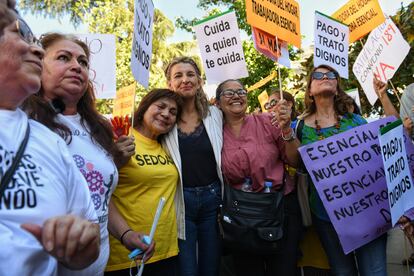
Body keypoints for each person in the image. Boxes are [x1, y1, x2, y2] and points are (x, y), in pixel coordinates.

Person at [0, 4, 99, 275]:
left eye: (83, 62)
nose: (37, 50)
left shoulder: (47, 140)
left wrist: (80, 244)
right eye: (20, 34)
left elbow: (91, 228)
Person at [23, 32, 119, 275]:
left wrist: (126, 234)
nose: (77, 66)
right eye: (64, 58)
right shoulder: (20, 122)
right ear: (37, 64)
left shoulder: (99, 128)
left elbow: (102, 198)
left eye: (83, 62)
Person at [300, 65, 387, 276]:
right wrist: (284, 130)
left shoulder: (355, 121)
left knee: (374, 271)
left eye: (331, 75)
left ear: (337, 86)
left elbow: (392, 133)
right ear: (310, 90)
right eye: (318, 75)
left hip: (368, 213)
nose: (325, 78)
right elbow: (293, 162)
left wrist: (383, 97)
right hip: (327, 217)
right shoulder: (299, 127)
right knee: (342, 272)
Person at [216, 79, 302, 276]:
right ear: (218, 103)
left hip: (279, 210)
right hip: (241, 218)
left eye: (241, 91)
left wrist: (287, 130)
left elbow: (295, 161)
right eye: (229, 93)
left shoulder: (268, 122)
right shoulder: (214, 133)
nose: (236, 95)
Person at [105, 89, 182, 276]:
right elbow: (98, 190)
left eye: (173, 112)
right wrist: (113, 159)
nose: (166, 114)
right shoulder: (120, 137)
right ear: (144, 107)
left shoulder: (169, 146)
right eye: (161, 106)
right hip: (127, 254)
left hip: (166, 250)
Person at [163, 56, 224, 276]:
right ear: (170, 84)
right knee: (186, 270)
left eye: (190, 74)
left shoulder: (216, 115)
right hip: (180, 202)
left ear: (199, 81)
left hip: (212, 201)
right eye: (178, 75)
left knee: (211, 268)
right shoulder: (164, 119)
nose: (185, 79)